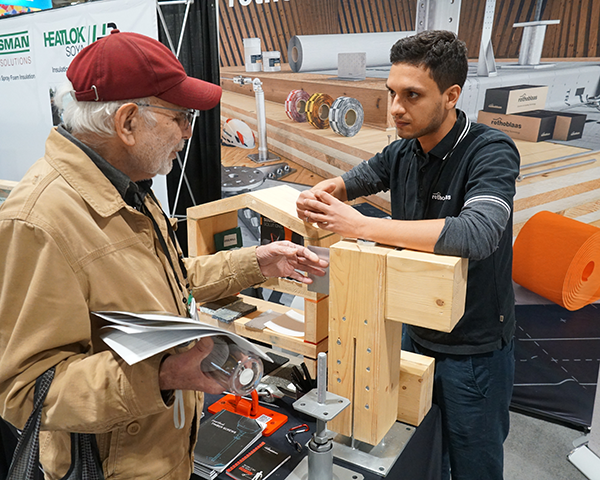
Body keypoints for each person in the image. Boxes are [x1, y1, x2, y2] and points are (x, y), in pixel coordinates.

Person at [0, 30, 327, 480]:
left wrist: (256, 262)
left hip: (165, 455)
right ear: (128, 122)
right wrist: (161, 376)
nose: (190, 130)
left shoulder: (127, 187)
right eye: (180, 115)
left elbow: (163, 282)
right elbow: (24, 393)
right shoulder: (38, 222)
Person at [296, 30, 520, 480]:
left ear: (451, 95)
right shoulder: (403, 150)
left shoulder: (490, 151)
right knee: (418, 451)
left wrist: (360, 225)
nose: (396, 108)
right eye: (392, 93)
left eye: (412, 95)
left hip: (471, 349)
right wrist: (328, 191)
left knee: (475, 463)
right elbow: (360, 176)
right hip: (410, 332)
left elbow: (477, 234)